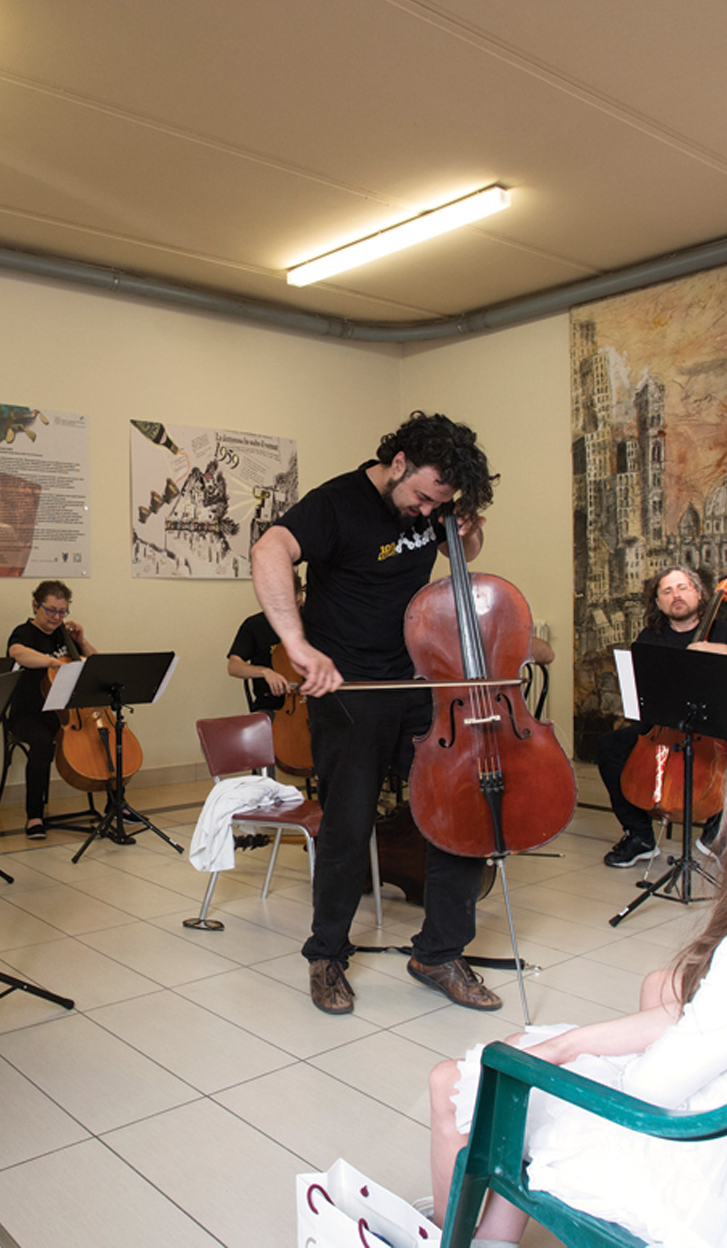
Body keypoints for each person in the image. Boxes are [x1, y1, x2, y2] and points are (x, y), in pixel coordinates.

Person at [427, 722, 727, 1248]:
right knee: (540, 1052)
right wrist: (567, 1045)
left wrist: (563, 1054)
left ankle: (447, 1235)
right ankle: (492, 1236)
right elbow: (711, 1022)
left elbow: (649, 1089)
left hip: (707, 1179)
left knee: (454, 1080)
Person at [251, 411, 504, 1015]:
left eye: (439, 503)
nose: (426, 512)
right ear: (399, 463)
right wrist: (297, 644)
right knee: (348, 822)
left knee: (456, 812)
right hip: (349, 686)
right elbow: (269, 549)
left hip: (418, 679)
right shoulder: (336, 502)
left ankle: (439, 953)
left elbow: (462, 550)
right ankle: (327, 954)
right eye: (423, 497)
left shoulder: (433, 505)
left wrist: (467, 533)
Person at [594, 565, 727, 868]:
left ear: (699, 594)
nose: (676, 595)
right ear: (658, 603)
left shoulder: (726, 633)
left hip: (717, 728)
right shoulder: (650, 637)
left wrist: (722, 650)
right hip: (667, 726)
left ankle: (719, 831)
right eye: (667, 591)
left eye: (683, 588)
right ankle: (639, 836)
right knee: (609, 746)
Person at [6, 580, 97, 840]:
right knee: (42, 743)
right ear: (36, 605)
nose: (57, 617)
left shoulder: (64, 635)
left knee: (101, 735)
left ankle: (118, 804)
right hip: (30, 714)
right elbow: (17, 653)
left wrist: (81, 642)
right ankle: (35, 816)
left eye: (62, 611)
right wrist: (53, 662)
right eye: (51, 610)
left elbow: (95, 664)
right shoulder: (24, 633)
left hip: (66, 715)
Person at [226, 568, 301, 713]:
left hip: (311, 705)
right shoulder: (255, 625)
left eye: (297, 603)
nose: (295, 611)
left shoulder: (312, 621)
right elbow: (234, 666)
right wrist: (265, 672)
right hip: (270, 706)